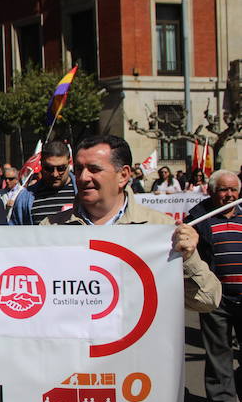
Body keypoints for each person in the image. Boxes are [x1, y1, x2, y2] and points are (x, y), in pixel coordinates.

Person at [41, 135, 219, 316]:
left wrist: (188, 259)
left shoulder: (161, 228)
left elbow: (207, 300)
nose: (83, 177)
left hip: (137, 342)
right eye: (79, 169)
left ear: (123, 175)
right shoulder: (50, 228)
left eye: (94, 169)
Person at [189, 170, 242, 402]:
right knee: (218, 353)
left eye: (233, 190)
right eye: (223, 190)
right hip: (216, 299)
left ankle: (237, 384)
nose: (229, 195)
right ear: (212, 191)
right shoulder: (199, 219)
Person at [10, 141, 76, 225]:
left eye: (61, 168)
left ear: (69, 163)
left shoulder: (83, 193)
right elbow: (15, 232)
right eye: (49, 168)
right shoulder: (25, 198)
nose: (55, 174)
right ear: (41, 163)